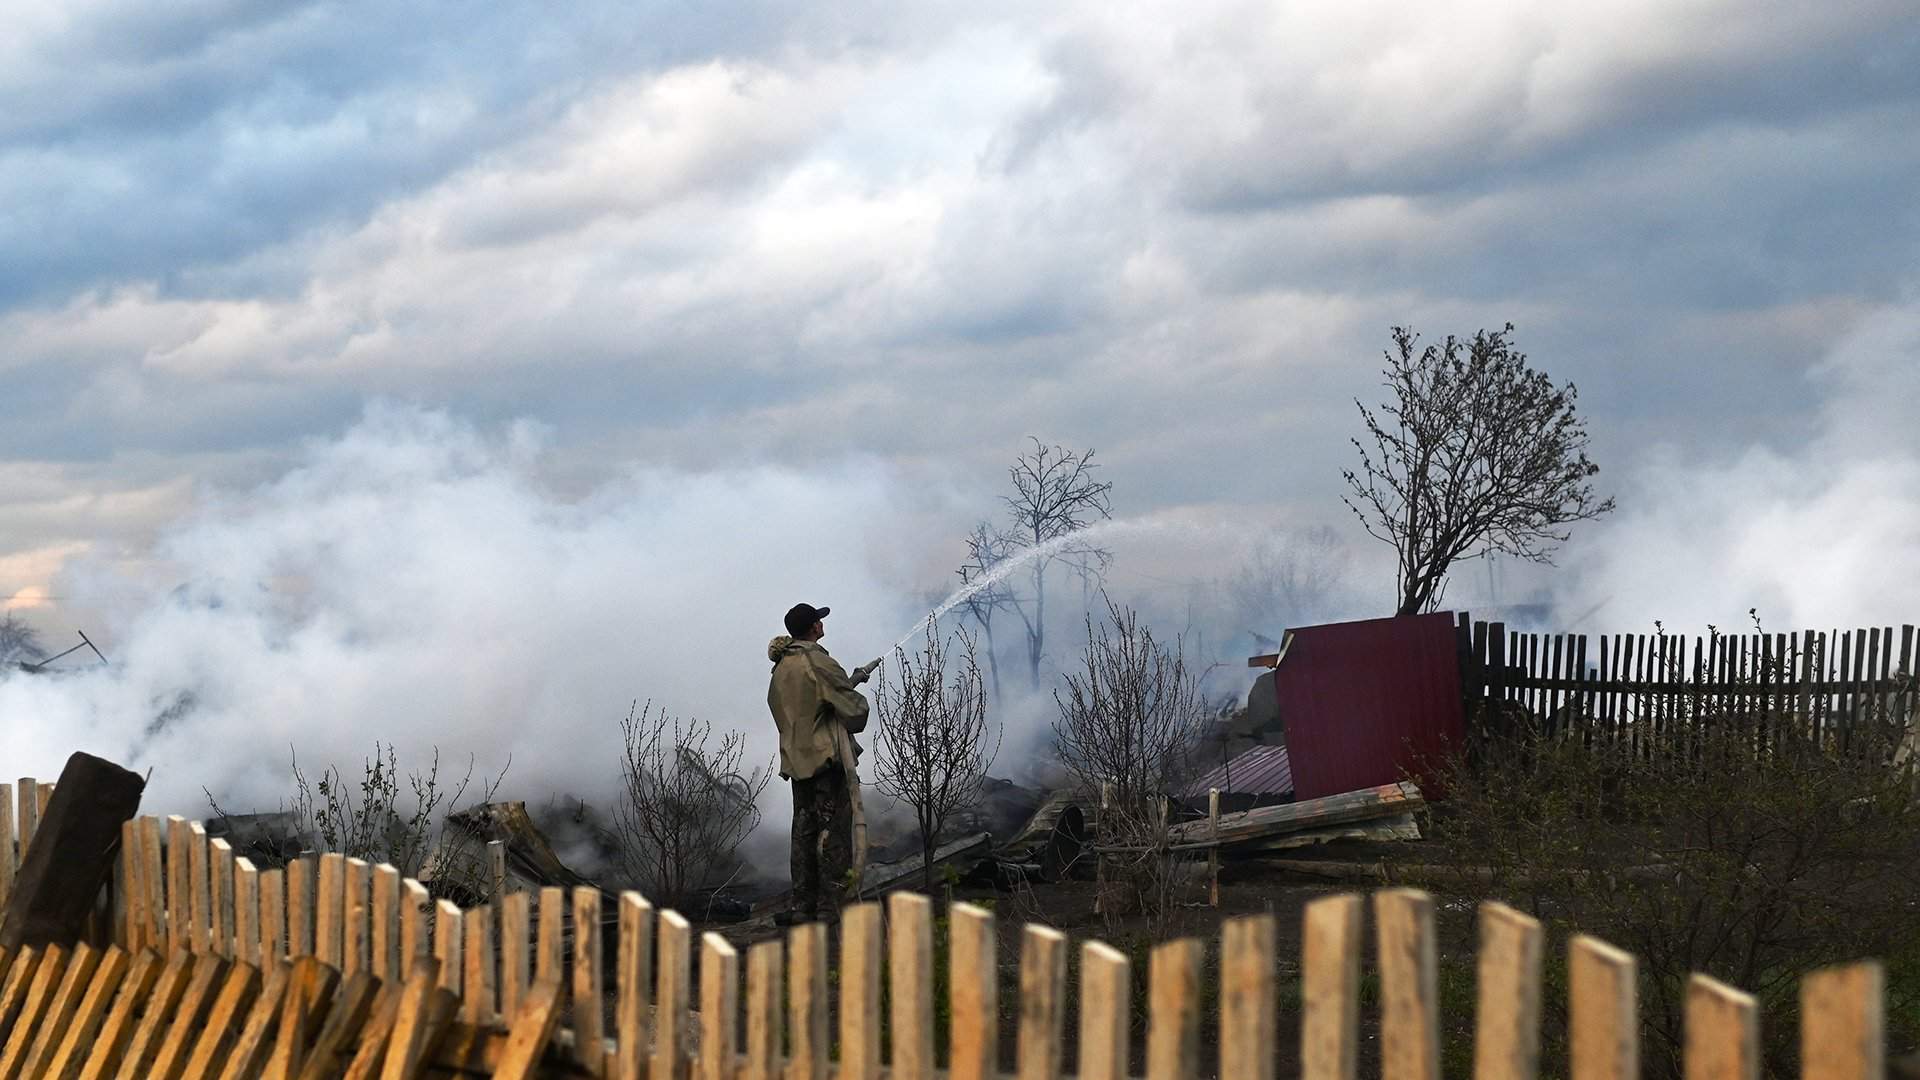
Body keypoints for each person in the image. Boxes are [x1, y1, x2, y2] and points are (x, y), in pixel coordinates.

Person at [767, 603, 881, 925]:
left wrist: (847, 681)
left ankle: (802, 907)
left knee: (803, 835)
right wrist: (848, 687)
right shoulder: (818, 660)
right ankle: (830, 909)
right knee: (832, 834)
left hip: (797, 764)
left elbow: (802, 708)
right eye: (819, 620)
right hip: (825, 765)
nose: (822, 624)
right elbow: (855, 712)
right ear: (814, 627)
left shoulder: (781, 668)